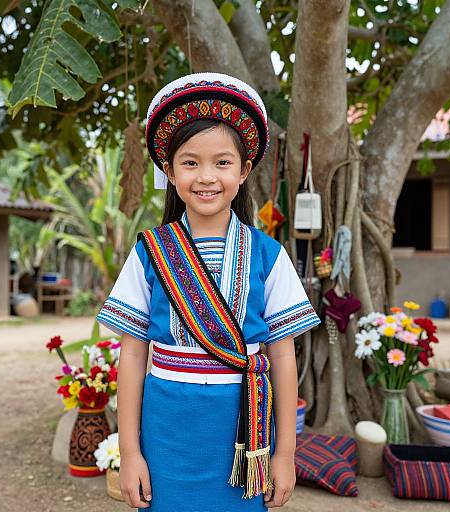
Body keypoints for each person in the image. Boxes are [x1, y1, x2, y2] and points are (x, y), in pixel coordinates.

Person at [96, 72, 320, 512]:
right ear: (169, 172)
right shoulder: (149, 253)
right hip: (166, 427)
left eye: (222, 162)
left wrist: (286, 454)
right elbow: (134, 354)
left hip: (242, 430)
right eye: (190, 162)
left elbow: (283, 356)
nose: (206, 177)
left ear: (244, 171)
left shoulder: (267, 255)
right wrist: (130, 452)